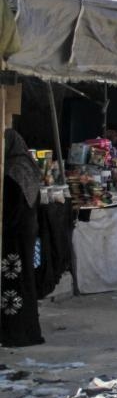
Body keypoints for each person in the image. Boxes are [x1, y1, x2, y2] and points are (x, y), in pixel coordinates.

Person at [1, 130, 44, 346]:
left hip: (15, 236)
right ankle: (27, 330)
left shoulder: (13, 170)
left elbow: (10, 209)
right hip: (25, 234)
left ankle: (15, 332)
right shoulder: (27, 166)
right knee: (25, 282)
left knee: (13, 283)